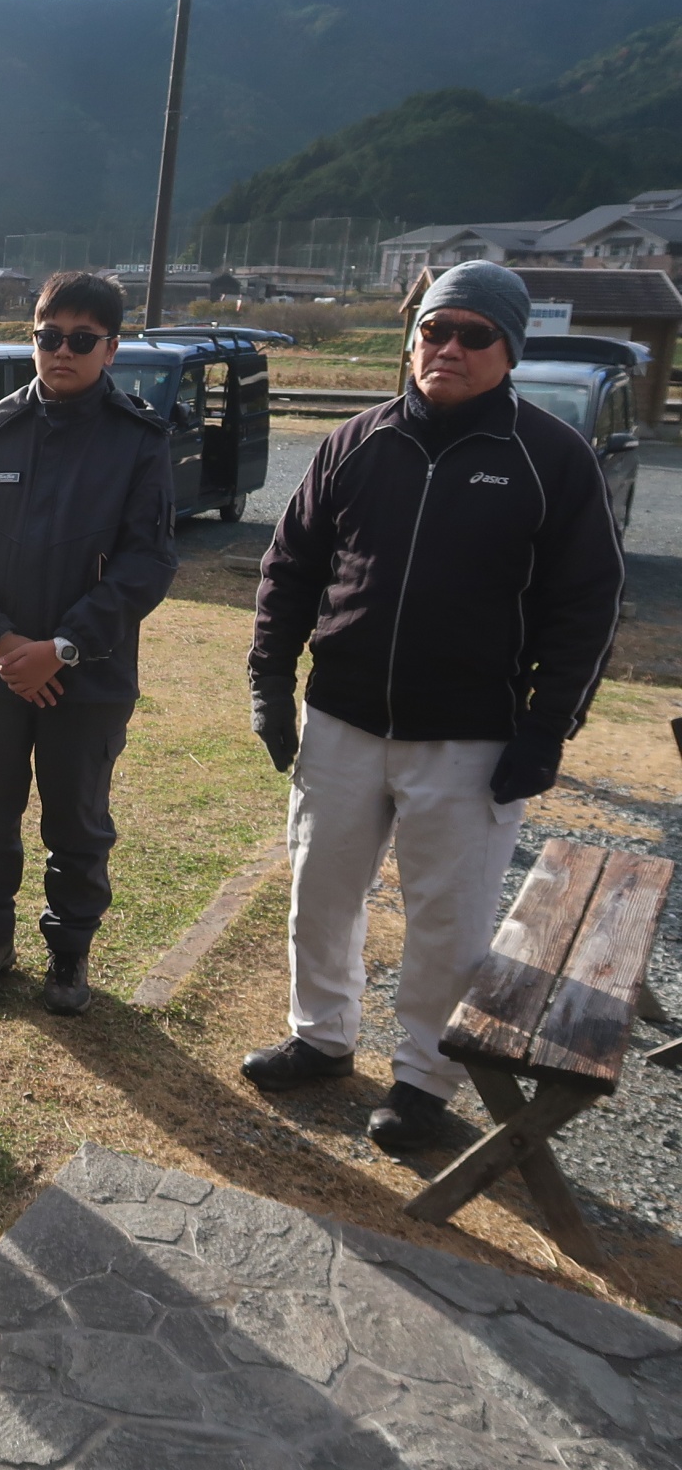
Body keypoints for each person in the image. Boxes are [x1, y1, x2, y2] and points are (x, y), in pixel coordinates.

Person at [244, 260, 624, 1151]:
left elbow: (588, 606)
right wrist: (270, 683)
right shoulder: (357, 441)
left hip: (469, 738)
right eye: (434, 329)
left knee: (447, 920)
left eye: (473, 334)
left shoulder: (550, 458)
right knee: (320, 893)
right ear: (412, 340)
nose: (448, 347)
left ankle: (423, 1078)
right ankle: (322, 1036)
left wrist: (546, 729)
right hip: (341, 718)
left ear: (509, 350)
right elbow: (290, 567)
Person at [0, 271, 177, 1013]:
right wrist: (4, 643)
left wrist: (62, 647)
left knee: (78, 824)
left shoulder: (138, 443)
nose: (61, 351)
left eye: (81, 339)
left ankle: (69, 955)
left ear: (112, 348)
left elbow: (146, 563)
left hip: (87, 677)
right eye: (48, 336)